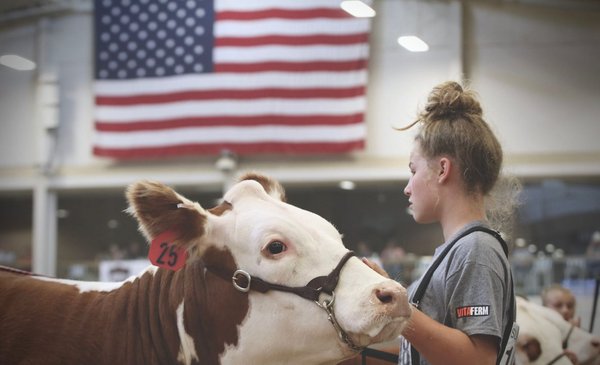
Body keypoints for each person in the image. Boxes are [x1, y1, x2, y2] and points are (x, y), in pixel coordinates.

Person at [363, 81, 519, 365]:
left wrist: (401, 310)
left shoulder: (476, 250)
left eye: (413, 170)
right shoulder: (457, 250)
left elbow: (478, 359)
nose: (407, 188)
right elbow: (423, 352)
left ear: (443, 170)